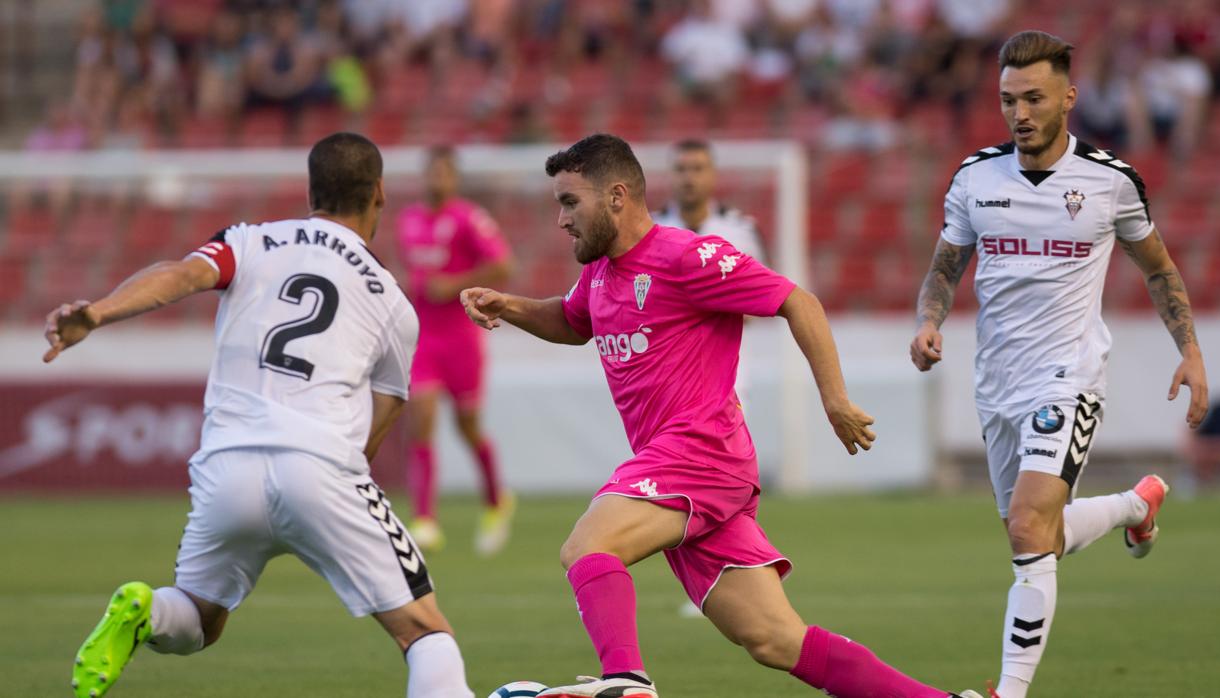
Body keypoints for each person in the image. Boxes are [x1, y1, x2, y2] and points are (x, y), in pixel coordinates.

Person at [462, 133, 982, 698]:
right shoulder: (601, 274)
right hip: (689, 470)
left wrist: (834, 400)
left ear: (616, 196)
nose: (561, 220)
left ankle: (627, 681)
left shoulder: (687, 256)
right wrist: (507, 305)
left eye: (569, 202)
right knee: (777, 640)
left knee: (588, 547)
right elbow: (572, 322)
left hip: (701, 451)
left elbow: (797, 301)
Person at [48, 133, 472, 698]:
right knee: (424, 631)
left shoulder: (249, 241)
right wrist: (347, 475)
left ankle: (147, 611)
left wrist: (98, 313)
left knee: (199, 619)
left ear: (310, 190)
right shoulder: (393, 300)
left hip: (229, 465)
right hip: (321, 465)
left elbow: (178, 275)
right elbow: (391, 400)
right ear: (379, 194)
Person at [910, 31, 1209, 698]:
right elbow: (944, 267)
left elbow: (1158, 268)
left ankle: (1008, 694)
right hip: (997, 384)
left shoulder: (1109, 183)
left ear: (1068, 98)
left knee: (1027, 528)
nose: (1020, 112)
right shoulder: (975, 178)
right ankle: (1137, 504)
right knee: (1037, 534)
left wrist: (1189, 352)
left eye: (1034, 98)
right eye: (1008, 99)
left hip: (1068, 376)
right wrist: (928, 320)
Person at [652, 137, 766, 619]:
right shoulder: (654, 229)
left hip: (726, 378)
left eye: (697, 167)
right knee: (689, 486)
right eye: (680, 168)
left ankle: (730, 580)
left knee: (719, 486)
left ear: (713, 174)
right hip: (671, 383)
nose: (689, 177)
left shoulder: (738, 228)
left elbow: (763, 297)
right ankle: (718, 583)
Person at [395, 145, 514, 555]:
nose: (437, 180)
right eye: (431, 172)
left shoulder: (469, 218)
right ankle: (425, 518)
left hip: (463, 339)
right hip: (425, 337)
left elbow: (502, 265)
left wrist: (453, 284)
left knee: (468, 426)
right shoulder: (407, 220)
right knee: (421, 415)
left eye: (444, 173)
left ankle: (497, 500)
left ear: (454, 178)